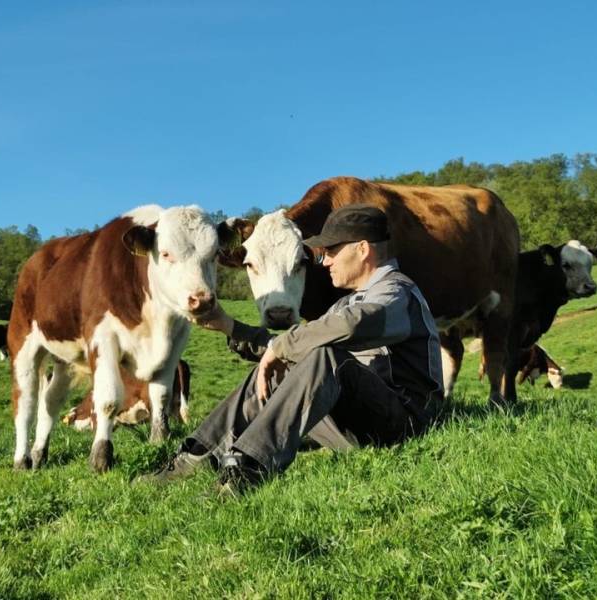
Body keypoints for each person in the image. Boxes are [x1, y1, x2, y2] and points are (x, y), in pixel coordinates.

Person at [143, 204, 444, 495]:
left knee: (323, 355)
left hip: (405, 423)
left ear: (363, 249)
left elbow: (351, 326)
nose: (324, 261)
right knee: (288, 364)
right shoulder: (346, 302)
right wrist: (231, 327)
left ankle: (248, 467)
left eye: (332, 250)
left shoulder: (397, 293)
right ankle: (194, 457)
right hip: (357, 421)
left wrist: (283, 347)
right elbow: (291, 350)